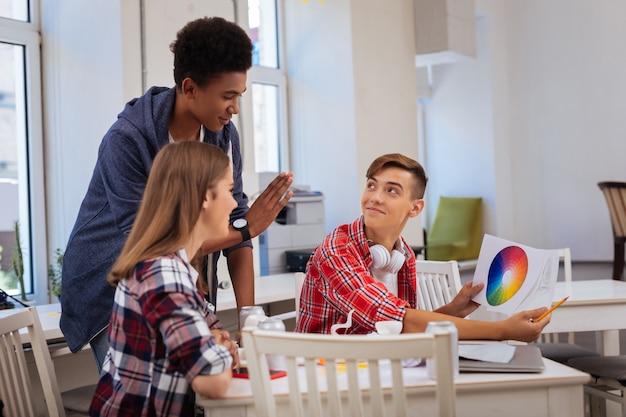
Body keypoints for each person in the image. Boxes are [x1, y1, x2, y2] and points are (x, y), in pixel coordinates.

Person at [60, 16, 293, 371]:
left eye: (240, 95)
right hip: (108, 287)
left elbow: (236, 221)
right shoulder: (127, 140)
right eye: (227, 96)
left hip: (176, 282)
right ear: (189, 88)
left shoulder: (223, 135)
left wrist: (248, 320)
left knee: (199, 387)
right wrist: (247, 228)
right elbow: (148, 244)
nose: (235, 108)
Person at [295, 153, 551, 342]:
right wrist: (500, 331)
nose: (375, 196)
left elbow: (400, 326)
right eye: (371, 185)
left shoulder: (402, 254)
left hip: (374, 367)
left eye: (391, 191)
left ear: (415, 208)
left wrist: (451, 311)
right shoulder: (337, 250)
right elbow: (397, 319)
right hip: (326, 376)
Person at [89, 141, 239, 416]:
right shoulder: (164, 276)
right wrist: (220, 350)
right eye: (229, 191)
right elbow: (213, 383)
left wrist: (213, 343)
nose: (235, 203)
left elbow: (212, 334)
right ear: (205, 197)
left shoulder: (172, 266)